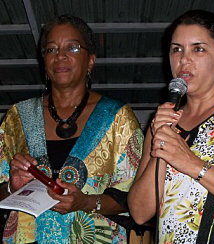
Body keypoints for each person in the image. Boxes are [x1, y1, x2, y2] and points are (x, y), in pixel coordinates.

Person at [0, 14, 143, 244]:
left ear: (91, 61)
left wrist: (86, 202)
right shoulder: (17, 117)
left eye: (73, 48)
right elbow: (1, 192)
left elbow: (135, 198)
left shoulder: (117, 117)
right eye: (51, 49)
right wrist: (11, 185)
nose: (60, 55)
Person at [128, 9, 214, 244]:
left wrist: (192, 164)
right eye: (177, 49)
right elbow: (140, 213)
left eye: (198, 49)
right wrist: (162, 146)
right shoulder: (162, 120)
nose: (184, 59)